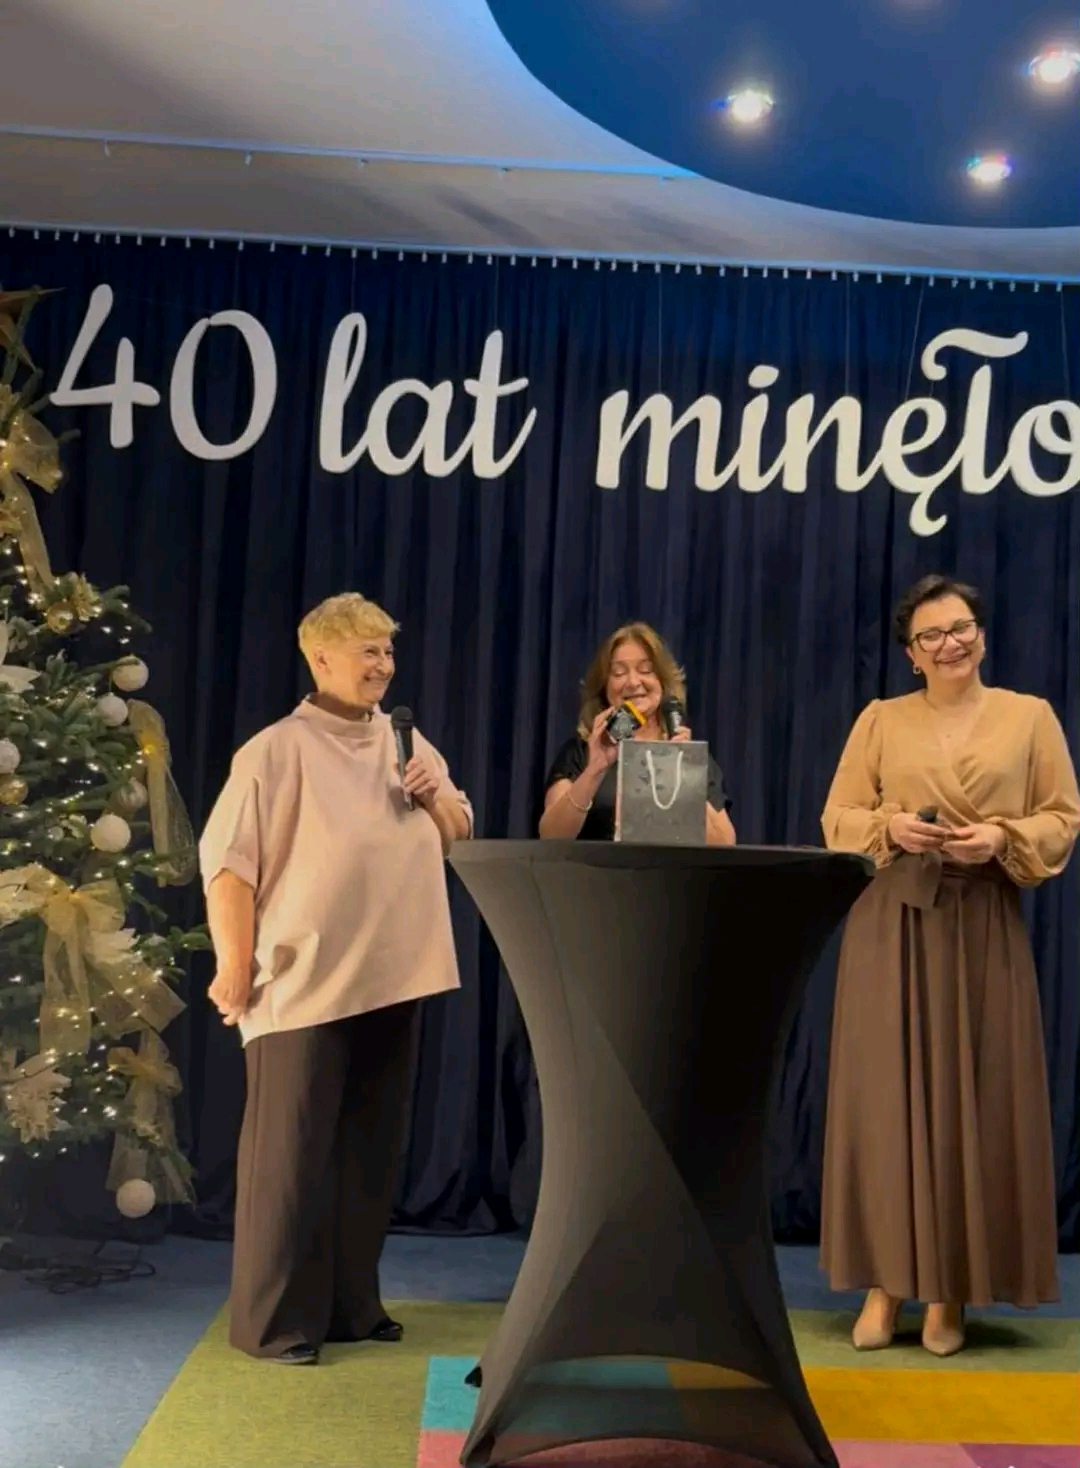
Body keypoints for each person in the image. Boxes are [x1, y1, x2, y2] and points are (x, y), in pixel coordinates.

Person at [199, 593, 472, 1365]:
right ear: (320, 658)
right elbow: (229, 866)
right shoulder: (274, 751)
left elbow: (458, 834)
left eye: (387, 650)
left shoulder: (406, 742)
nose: (382, 665)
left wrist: (434, 795)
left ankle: (352, 1307)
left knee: (366, 1154)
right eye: (366, 651)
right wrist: (232, 965)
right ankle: (273, 1323)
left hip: (394, 973)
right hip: (304, 982)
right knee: (289, 1160)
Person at [820, 574, 1080, 1358]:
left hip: (983, 926)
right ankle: (884, 1285)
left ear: (982, 635)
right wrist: (891, 827)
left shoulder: (1029, 717)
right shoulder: (880, 719)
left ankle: (949, 1292)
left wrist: (1002, 838)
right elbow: (838, 817)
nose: (950, 643)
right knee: (887, 1103)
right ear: (911, 654)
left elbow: (1061, 817)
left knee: (976, 1099)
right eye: (931, 635)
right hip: (893, 924)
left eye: (961, 627)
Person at [539, 622, 736, 844]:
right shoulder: (581, 752)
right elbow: (551, 835)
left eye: (646, 670)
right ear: (604, 687)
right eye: (619, 672)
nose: (633, 682)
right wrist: (594, 770)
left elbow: (724, 842)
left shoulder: (690, 757)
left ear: (662, 681)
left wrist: (683, 774)